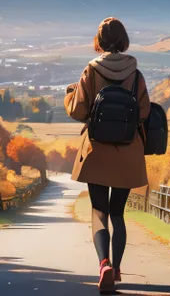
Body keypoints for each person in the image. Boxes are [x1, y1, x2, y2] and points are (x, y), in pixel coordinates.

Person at [64, 17, 150, 293]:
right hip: (128, 152)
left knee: (99, 211)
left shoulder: (91, 71)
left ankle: (104, 265)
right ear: (123, 40)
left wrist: (70, 95)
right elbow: (145, 112)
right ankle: (118, 266)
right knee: (118, 213)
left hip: (97, 150)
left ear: (99, 42)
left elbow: (78, 110)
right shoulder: (135, 74)